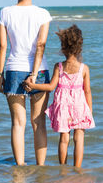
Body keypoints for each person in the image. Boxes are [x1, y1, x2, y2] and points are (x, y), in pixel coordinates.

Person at [0, 0, 52, 166]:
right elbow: (40, 45)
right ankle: (41, 169)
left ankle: (19, 168)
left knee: (18, 124)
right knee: (38, 123)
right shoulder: (43, 14)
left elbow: (3, 46)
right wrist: (35, 74)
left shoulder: (5, 13)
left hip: (13, 70)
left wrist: (0, 74)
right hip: (40, 71)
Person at [24, 24, 95, 168]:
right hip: (80, 106)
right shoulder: (84, 68)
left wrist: (33, 85)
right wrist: (90, 111)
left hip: (62, 106)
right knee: (79, 137)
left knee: (64, 138)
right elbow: (87, 91)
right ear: (79, 47)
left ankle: (63, 168)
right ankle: (77, 168)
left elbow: (50, 87)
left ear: (63, 48)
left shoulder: (59, 66)